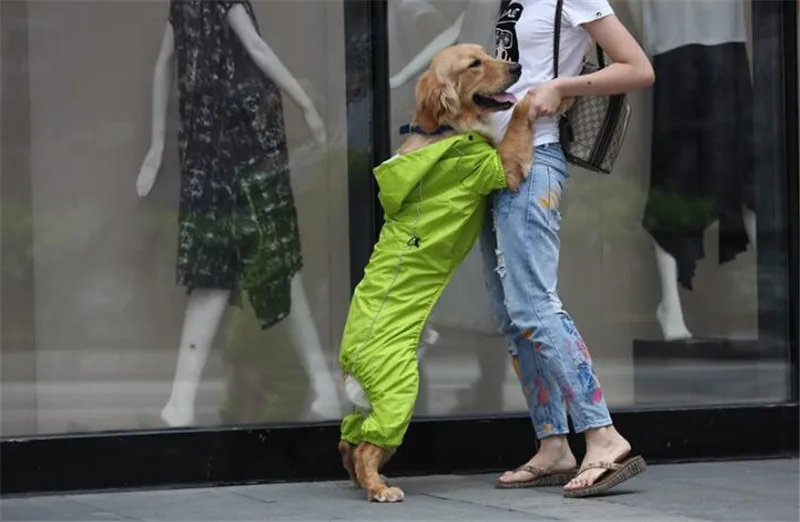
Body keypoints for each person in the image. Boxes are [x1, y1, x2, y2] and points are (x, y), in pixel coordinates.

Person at [481, 0, 655, 497]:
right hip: (496, 162)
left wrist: (562, 86)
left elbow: (638, 68)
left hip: (536, 161)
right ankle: (553, 444)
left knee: (534, 304)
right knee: (513, 314)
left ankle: (601, 435)